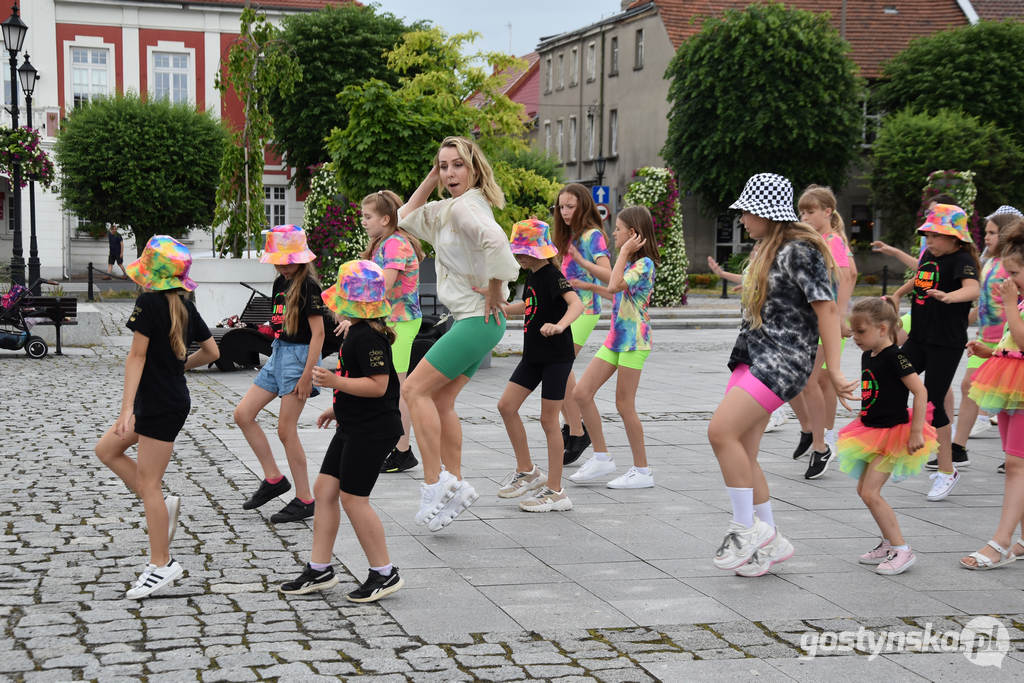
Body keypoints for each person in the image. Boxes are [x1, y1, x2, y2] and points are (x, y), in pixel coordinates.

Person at [707, 173, 855, 577]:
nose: (740, 218)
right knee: (743, 452)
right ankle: (769, 539)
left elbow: (827, 310)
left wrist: (836, 370)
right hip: (751, 354)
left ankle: (745, 530)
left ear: (765, 213)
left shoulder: (799, 250)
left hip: (783, 359)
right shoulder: (765, 248)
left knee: (721, 432)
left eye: (746, 212)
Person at [398, 136, 521, 531]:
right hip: (478, 323)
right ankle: (455, 482)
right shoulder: (450, 208)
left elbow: (497, 242)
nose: (450, 173)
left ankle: (435, 483)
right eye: (443, 166)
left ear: (474, 168)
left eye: (457, 165)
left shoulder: (467, 208)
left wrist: (498, 286)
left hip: (475, 321)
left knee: (414, 390)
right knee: (442, 400)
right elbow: (403, 216)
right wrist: (431, 178)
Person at [94, 236, 218, 598]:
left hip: (159, 403)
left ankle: (161, 565)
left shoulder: (149, 302)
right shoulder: (183, 302)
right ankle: (162, 512)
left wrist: (125, 409)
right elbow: (211, 351)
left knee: (149, 484)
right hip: (165, 399)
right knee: (107, 450)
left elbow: (137, 357)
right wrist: (181, 368)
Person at [280, 261, 405, 601]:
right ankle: (319, 568)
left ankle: (384, 572)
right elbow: (369, 385)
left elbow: (379, 386)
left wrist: (335, 382)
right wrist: (338, 406)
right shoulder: (358, 332)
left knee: (353, 497)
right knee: (324, 490)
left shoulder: (368, 338)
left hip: (373, 429)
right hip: (354, 423)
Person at [838, 298, 937, 575]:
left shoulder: (896, 356)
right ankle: (886, 542)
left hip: (892, 434)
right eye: (853, 331)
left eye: (860, 331)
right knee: (863, 491)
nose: (855, 337)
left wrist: (916, 430)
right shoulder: (868, 354)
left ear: (882, 328)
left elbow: (920, 392)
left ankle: (902, 550)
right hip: (871, 430)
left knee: (871, 492)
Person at [234, 225, 325, 523]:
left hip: (299, 359)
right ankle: (273, 478)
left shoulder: (309, 286)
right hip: (279, 352)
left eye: (287, 261)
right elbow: (279, 325)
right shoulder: (279, 283)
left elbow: (319, 334)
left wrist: (307, 374)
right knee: (243, 414)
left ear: (300, 258)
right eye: (278, 260)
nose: (283, 266)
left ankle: (305, 499)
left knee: (286, 431)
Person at [889, 205, 980, 501]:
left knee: (934, 401)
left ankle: (946, 470)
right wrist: (900, 293)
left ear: (955, 237)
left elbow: (973, 289)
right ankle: (908, 449)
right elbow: (922, 277)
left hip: (946, 343)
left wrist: (950, 297)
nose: (929, 239)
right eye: (927, 233)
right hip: (919, 338)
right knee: (893, 378)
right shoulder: (929, 256)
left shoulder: (962, 259)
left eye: (936, 235)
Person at [568, 206, 659, 488]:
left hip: (634, 341)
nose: (614, 233)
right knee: (581, 393)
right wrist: (585, 284)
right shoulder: (632, 265)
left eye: (619, 229)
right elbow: (616, 293)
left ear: (633, 234)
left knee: (624, 405)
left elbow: (614, 285)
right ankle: (601, 456)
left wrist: (621, 255)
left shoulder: (644, 265)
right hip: (617, 339)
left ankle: (642, 471)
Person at [495, 219, 583, 511]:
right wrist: (503, 309)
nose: (519, 255)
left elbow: (576, 305)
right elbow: (531, 306)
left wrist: (559, 326)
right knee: (506, 406)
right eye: (517, 250)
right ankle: (528, 470)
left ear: (540, 251)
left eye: (523, 250)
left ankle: (557, 491)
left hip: (557, 357)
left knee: (548, 421)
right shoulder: (532, 276)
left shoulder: (552, 274)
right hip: (532, 356)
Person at [961, 219, 1024, 569]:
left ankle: (1000, 543)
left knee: (1017, 465)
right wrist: (990, 350)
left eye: (1015, 272)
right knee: (1018, 462)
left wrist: (1011, 304)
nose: (1009, 280)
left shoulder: (1019, 300)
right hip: (1013, 386)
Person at [943, 210, 1019, 470]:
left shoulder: (1013, 266)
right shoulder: (989, 263)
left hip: (1008, 343)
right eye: (986, 232)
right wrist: (968, 320)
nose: (986, 237)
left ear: (1006, 234)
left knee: (1006, 399)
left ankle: (1010, 453)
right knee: (970, 387)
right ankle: (958, 447)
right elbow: (985, 302)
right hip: (986, 340)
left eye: (992, 233)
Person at [793, 185, 856, 479]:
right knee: (812, 381)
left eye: (810, 211)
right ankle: (818, 436)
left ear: (828, 212)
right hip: (811, 320)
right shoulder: (817, 240)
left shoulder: (833, 241)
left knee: (812, 380)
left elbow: (846, 277)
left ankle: (821, 440)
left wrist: (840, 317)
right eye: (802, 211)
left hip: (825, 322)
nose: (804, 215)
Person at [359, 190, 424, 474]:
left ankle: (402, 450)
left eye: (368, 216)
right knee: (392, 386)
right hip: (392, 320)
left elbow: (381, 287)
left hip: (402, 320)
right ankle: (397, 446)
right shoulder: (384, 242)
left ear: (385, 218)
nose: (363, 221)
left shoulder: (395, 243)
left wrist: (350, 306)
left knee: (398, 387)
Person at [553, 184, 611, 463]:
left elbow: (608, 274)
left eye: (570, 207)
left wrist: (579, 260)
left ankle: (577, 430)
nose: (564, 212)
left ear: (583, 207)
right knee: (559, 369)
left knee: (560, 367)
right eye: (561, 207)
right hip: (565, 310)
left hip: (585, 310)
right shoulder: (568, 235)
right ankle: (574, 427)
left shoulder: (592, 236)